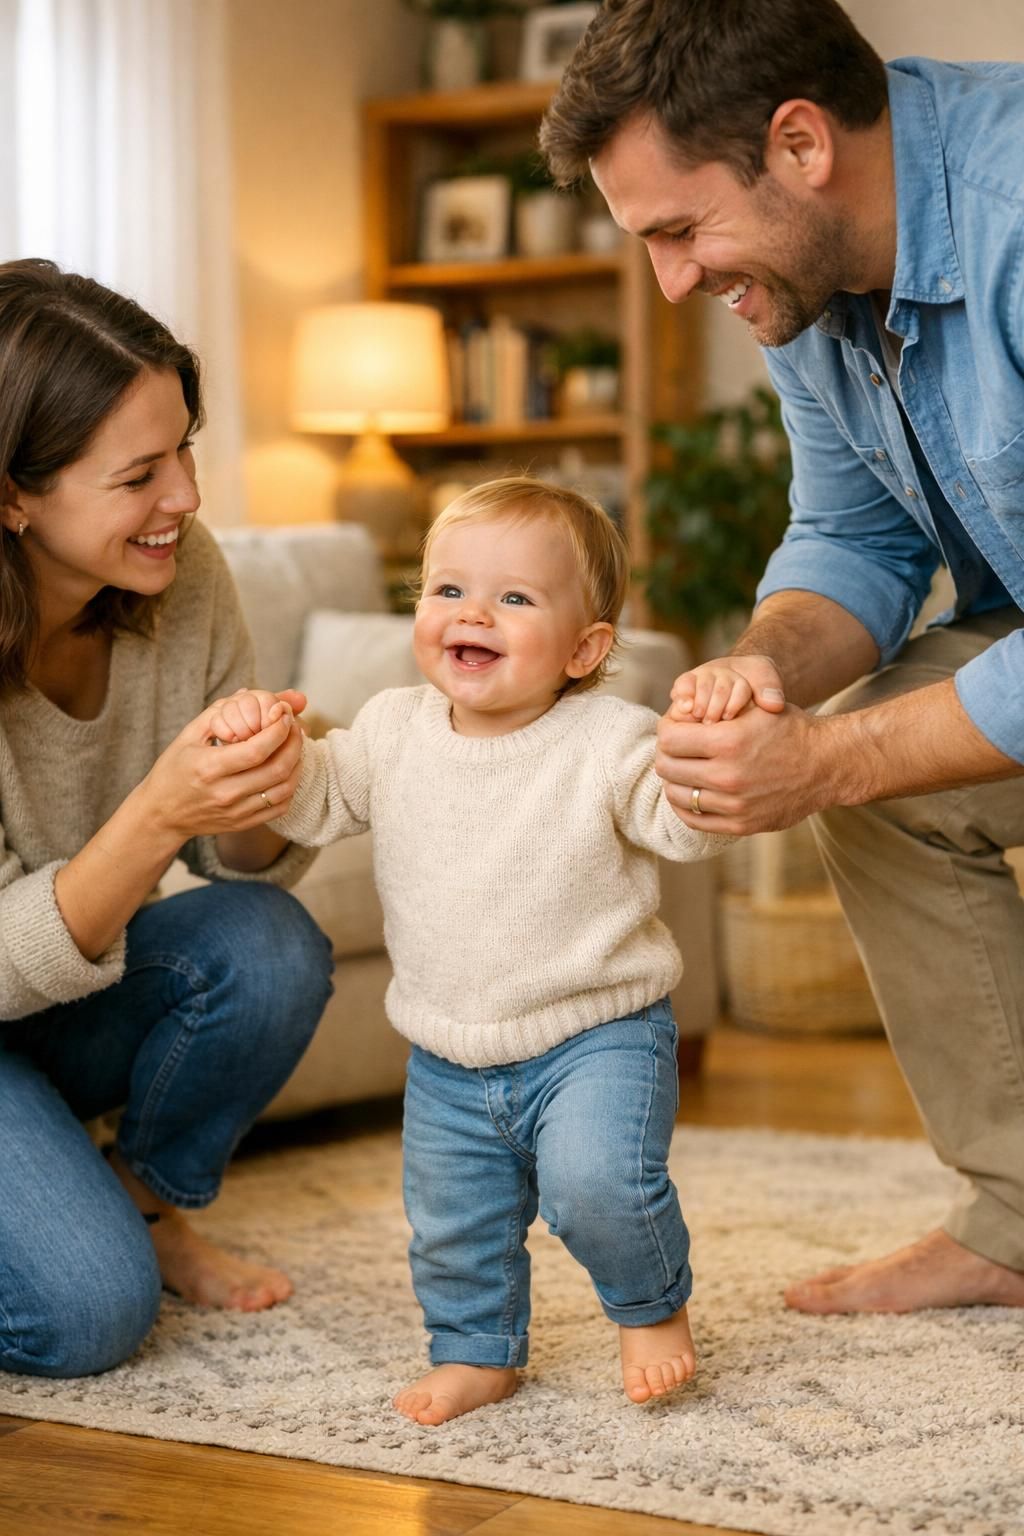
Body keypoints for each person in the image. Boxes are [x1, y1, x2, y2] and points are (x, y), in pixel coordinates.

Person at [539, 0, 1024, 1317]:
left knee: (863, 762)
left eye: (679, 231)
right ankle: (1016, 1219)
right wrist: (762, 674)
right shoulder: (811, 287)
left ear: (801, 144)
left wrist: (831, 756)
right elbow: (853, 537)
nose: (672, 283)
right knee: (886, 788)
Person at [205, 476, 728, 1424]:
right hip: (446, 1049)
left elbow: (683, 826)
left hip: (597, 1033)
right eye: (447, 589)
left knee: (600, 1186)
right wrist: (266, 745)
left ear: (585, 649)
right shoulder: (391, 728)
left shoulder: (610, 737)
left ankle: (651, 1309)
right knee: (453, 1223)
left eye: (513, 597)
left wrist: (705, 752)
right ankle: (477, 1350)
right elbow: (314, 800)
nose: (471, 613)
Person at [0, 259, 333, 1380]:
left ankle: (143, 1207)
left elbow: (238, 868)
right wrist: (156, 809)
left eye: (183, 449)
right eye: (140, 475)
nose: (185, 497)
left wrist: (259, 784)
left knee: (266, 945)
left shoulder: (180, 574)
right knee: (87, 1318)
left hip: (55, 1008)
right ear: (12, 495)